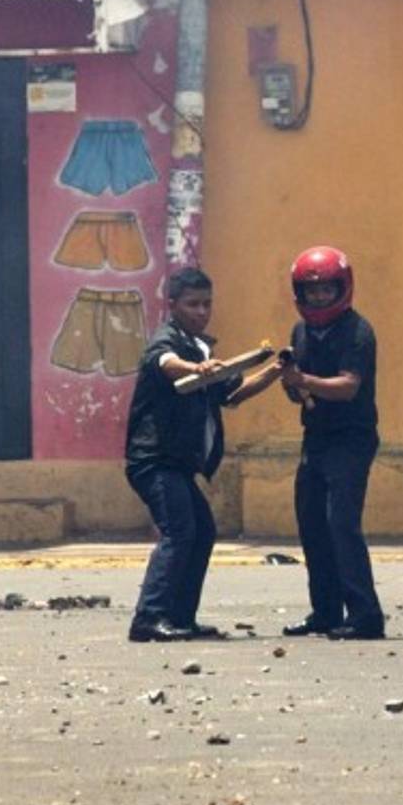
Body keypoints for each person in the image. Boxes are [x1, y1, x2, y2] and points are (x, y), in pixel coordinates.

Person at [126, 267, 284, 642]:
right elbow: (166, 364)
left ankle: (180, 617)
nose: (201, 311)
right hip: (154, 459)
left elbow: (232, 393)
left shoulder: (201, 349)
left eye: (206, 304)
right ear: (173, 305)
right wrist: (196, 368)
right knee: (180, 531)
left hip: (178, 464)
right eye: (192, 304)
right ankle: (148, 618)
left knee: (202, 533)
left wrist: (276, 370)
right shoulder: (167, 341)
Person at [279, 246, 386, 641]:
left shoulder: (358, 331)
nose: (319, 297)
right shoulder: (300, 332)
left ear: (343, 288)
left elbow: (347, 387)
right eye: (312, 291)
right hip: (316, 436)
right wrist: (292, 383)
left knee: (342, 523)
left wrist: (304, 381)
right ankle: (325, 611)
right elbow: (300, 391)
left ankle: (366, 614)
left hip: (352, 438)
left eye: (326, 290)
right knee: (312, 524)